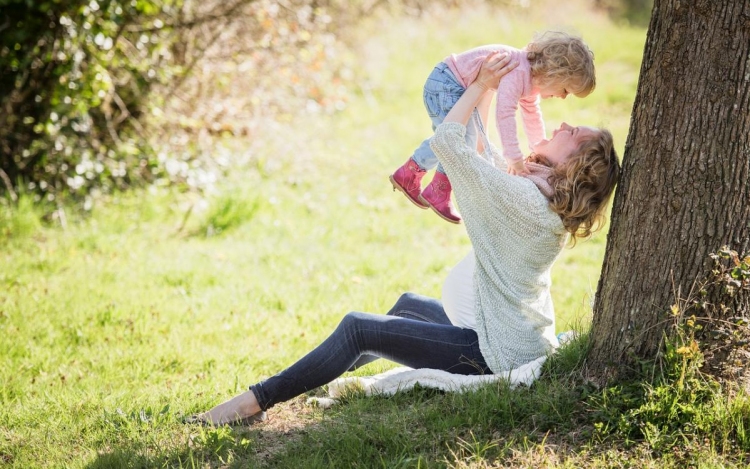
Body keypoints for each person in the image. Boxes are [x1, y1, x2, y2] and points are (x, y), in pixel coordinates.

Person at [189, 52, 620, 426]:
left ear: (575, 165)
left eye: (574, 133)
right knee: (407, 306)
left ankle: (253, 402)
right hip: (507, 334)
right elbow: (485, 156)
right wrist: (488, 90)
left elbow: (450, 143)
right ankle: (307, 378)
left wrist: (481, 86)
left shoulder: (524, 200)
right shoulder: (540, 197)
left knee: (359, 328)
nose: (563, 123)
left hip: (492, 352)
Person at [389, 31, 596, 224]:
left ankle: (411, 174)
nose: (562, 97)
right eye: (566, 90)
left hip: (450, 84)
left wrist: (538, 147)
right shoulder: (519, 71)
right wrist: (513, 157)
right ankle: (437, 189)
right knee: (457, 138)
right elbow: (504, 114)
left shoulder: (530, 80)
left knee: (456, 137)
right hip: (446, 84)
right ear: (555, 73)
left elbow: (532, 116)